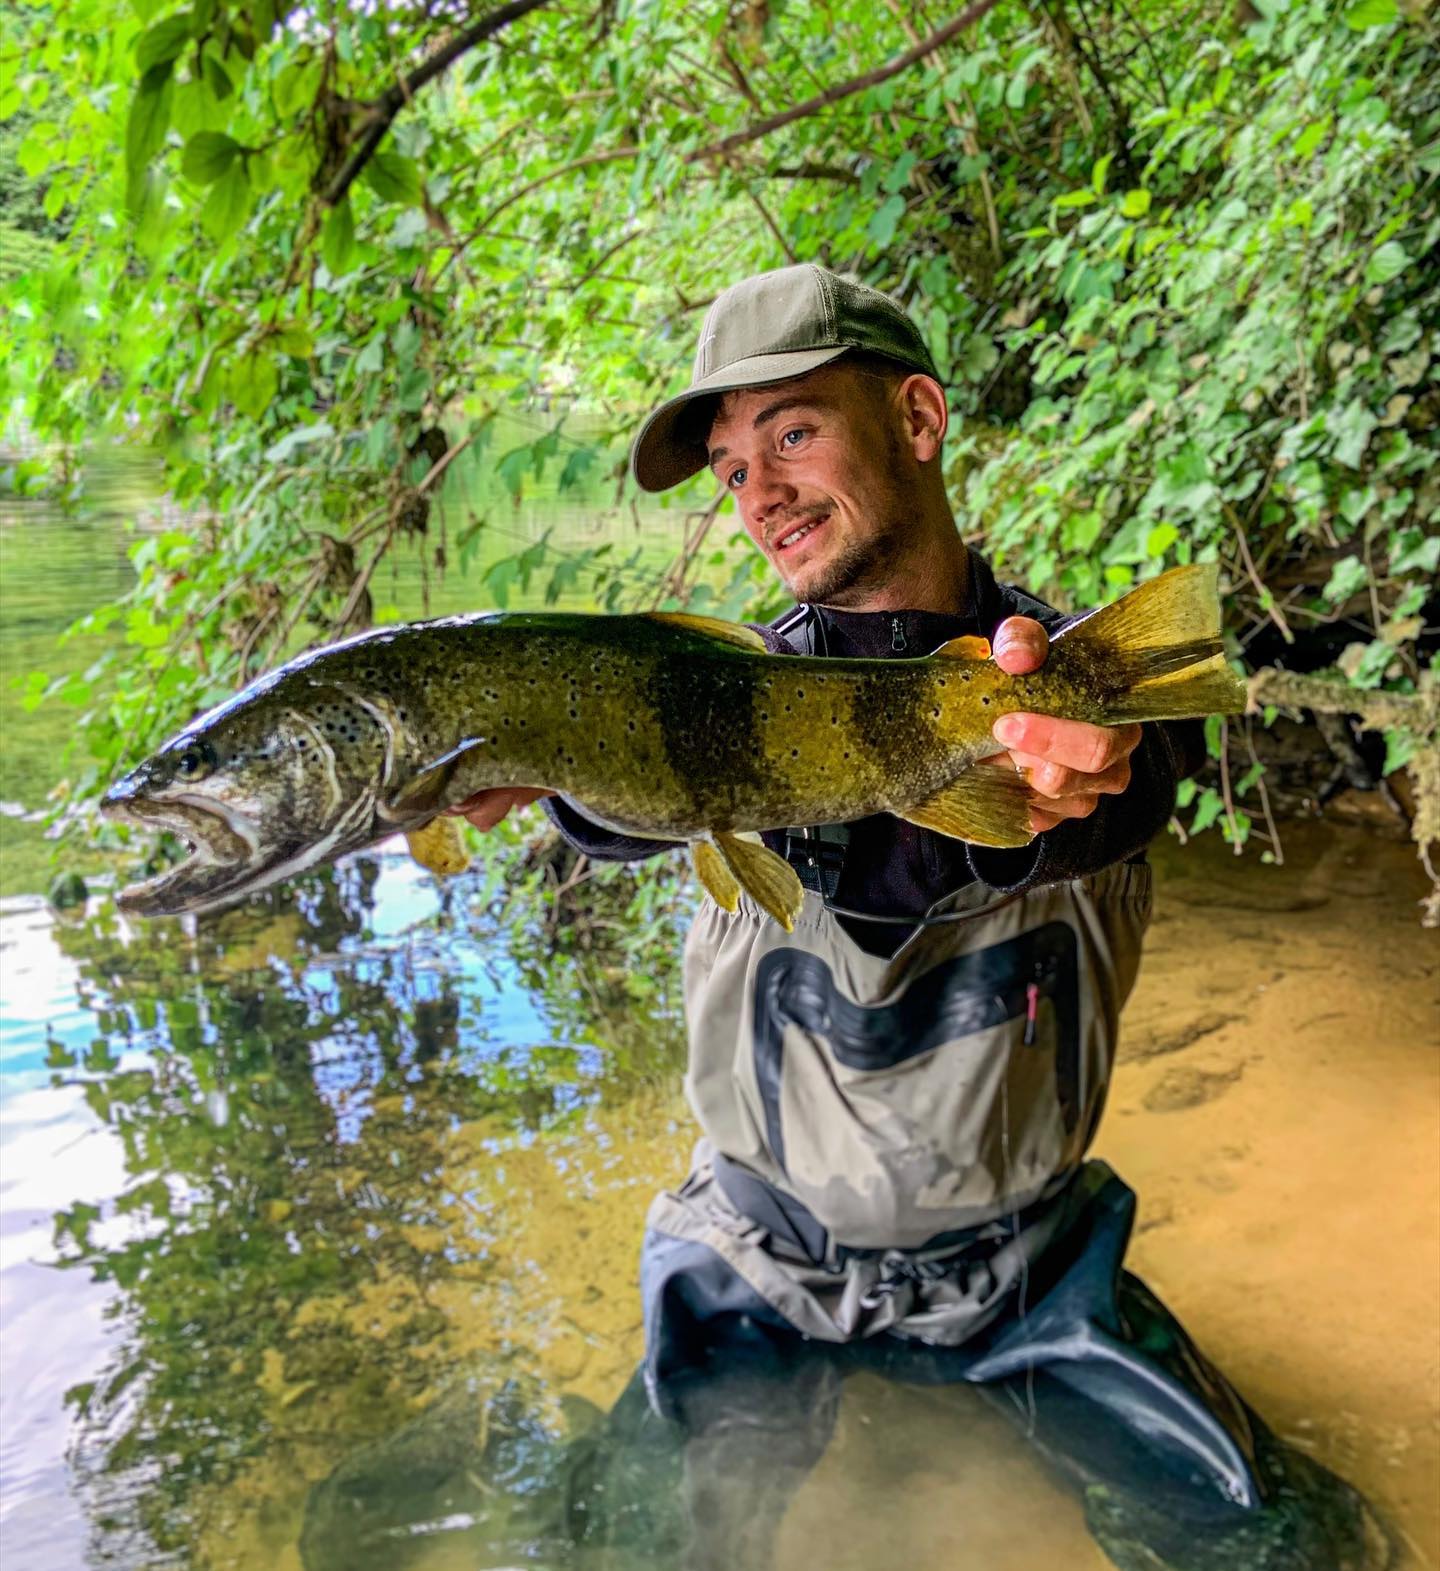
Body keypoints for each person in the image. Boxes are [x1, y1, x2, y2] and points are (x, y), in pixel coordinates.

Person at [449, 266, 1388, 1570]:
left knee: (1301, 1550)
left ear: (920, 419)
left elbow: (1124, 786)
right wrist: (531, 765)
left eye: (791, 431)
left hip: (1028, 1271)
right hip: (751, 1261)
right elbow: (611, 815)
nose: (759, 495)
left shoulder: (1077, 675)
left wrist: (1078, 775)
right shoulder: (710, 696)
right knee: (612, 1553)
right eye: (730, 469)